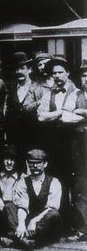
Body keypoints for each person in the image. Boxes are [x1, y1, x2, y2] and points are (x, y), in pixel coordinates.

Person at [2, 149, 63, 248]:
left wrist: (34, 221)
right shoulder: (23, 182)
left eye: (38, 163)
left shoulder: (54, 182)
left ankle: (17, 240)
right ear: (28, 164)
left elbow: (51, 208)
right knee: (9, 206)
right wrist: (21, 225)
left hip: (42, 222)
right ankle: (28, 241)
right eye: (31, 163)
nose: (34, 166)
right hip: (27, 222)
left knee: (54, 214)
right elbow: (23, 206)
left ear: (45, 164)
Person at [60, 60, 87, 239]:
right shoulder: (74, 95)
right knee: (80, 186)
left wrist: (80, 112)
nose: (86, 79)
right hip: (80, 144)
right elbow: (65, 116)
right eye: (84, 76)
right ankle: (83, 228)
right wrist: (81, 114)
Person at [5, 52, 35, 151]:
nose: (18, 71)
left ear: (29, 69)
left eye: (22, 68)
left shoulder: (37, 88)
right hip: (14, 139)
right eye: (16, 69)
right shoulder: (10, 89)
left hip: (34, 136)